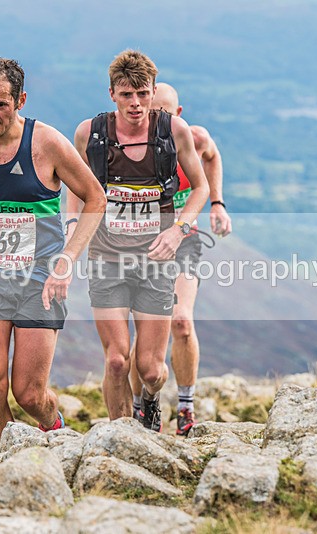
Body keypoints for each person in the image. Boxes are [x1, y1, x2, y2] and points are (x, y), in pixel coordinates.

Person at [0, 57, 105, 454]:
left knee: (29, 393)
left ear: (21, 100)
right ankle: (6, 468)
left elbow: (95, 197)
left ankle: (59, 433)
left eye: (0, 105)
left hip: (40, 280)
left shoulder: (46, 143)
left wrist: (67, 258)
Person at [68, 50, 208, 431]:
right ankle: (121, 441)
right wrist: (70, 226)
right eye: (127, 94)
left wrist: (178, 231)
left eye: (143, 94)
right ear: (111, 93)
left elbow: (200, 188)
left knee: (151, 369)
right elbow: (75, 186)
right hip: (107, 258)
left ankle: (150, 401)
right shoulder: (91, 134)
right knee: (116, 360)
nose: (136, 104)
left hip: (156, 261)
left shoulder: (172, 131)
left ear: (152, 92)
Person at [126, 82, 232, 436]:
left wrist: (217, 203)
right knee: (143, 334)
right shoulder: (130, 143)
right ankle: (143, 407)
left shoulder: (194, 139)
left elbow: (212, 156)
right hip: (141, 246)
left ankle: (185, 408)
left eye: (165, 114)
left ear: (179, 115)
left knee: (182, 322)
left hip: (184, 241)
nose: (158, 121)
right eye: (152, 114)